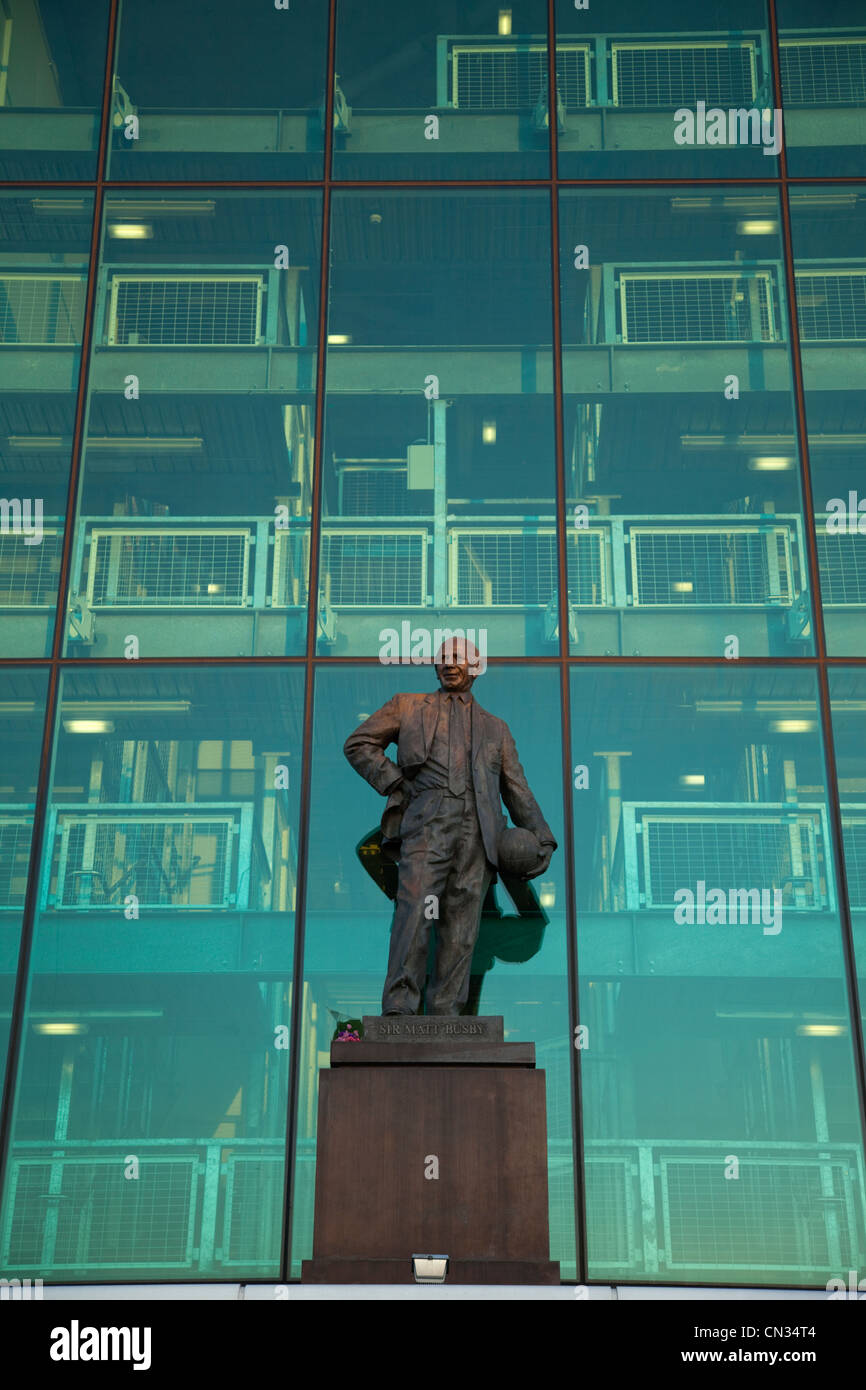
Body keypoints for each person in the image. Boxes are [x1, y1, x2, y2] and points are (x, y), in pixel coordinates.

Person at [343, 638, 556, 1016]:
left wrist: (542, 837)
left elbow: (517, 788)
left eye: (458, 659)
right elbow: (359, 743)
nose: (449, 665)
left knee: (461, 927)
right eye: (442, 659)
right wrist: (394, 782)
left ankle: (447, 1013)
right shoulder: (407, 707)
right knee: (414, 912)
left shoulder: (497, 729)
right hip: (428, 823)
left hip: (477, 833)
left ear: (475, 667)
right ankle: (399, 1006)